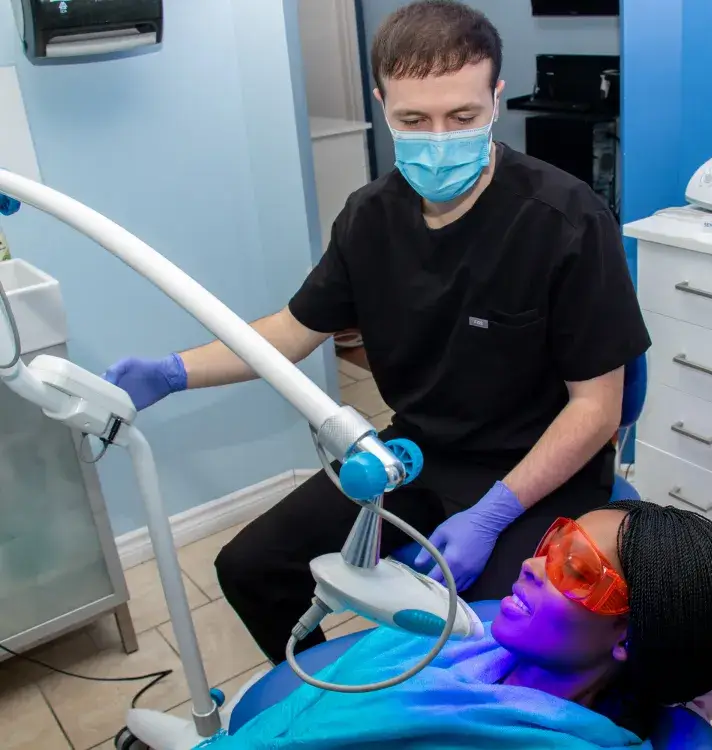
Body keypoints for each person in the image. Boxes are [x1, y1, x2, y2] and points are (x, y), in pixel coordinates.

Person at [104, 0, 651, 662]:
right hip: (418, 453)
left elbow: (598, 408)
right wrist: (171, 373)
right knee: (250, 568)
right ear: (382, 104)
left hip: (539, 468)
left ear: (496, 99)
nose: (440, 137)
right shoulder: (369, 218)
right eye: (414, 120)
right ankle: (330, 711)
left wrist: (491, 514)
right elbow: (291, 330)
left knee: (498, 642)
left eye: (463, 116)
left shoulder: (565, 221)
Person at [210, 503, 712, 749]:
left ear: (630, 638)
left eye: (577, 568)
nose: (531, 564)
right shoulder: (462, 645)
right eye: (554, 545)